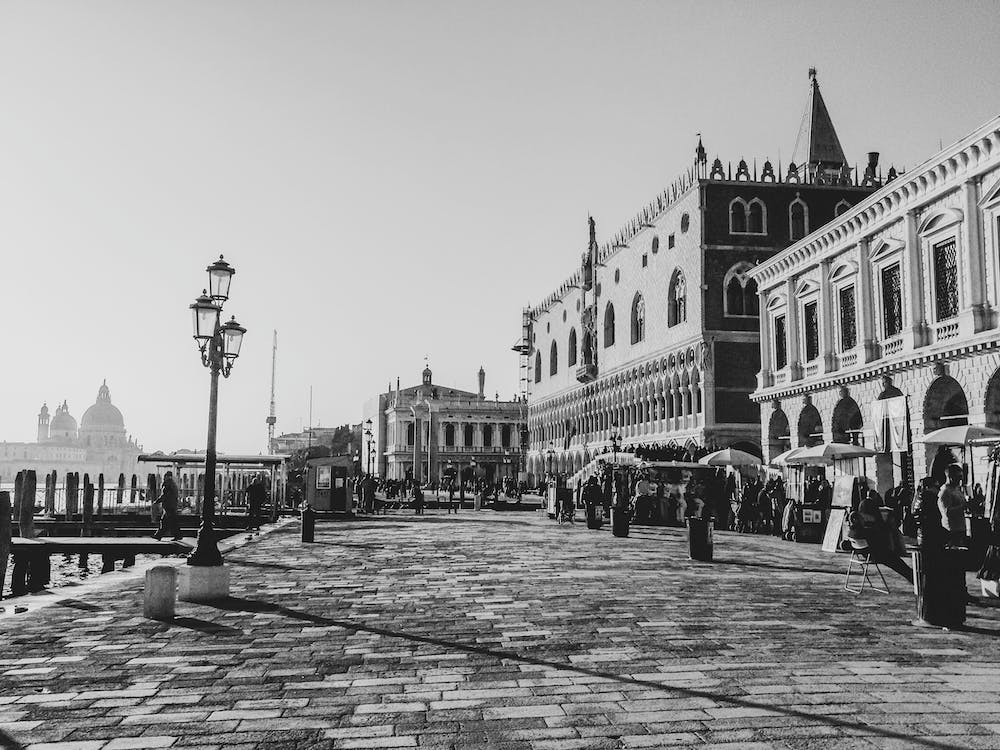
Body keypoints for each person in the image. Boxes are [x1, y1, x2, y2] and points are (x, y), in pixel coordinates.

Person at [938, 463, 968, 547]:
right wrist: (962, 507)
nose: (960, 480)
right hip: (951, 530)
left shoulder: (956, 490)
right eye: (958, 477)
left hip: (960, 527)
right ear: (950, 477)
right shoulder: (945, 492)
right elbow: (947, 512)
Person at [152, 471, 182, 541]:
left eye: (165, 476)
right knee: (170, 521)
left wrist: (157, 501)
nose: (164, 478)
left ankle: (159, 535)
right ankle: (160, 535)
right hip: (171, 505)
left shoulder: (168, 484)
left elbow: (164, 495)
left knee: (167, 521)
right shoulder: (172, 484)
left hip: (169, 506)